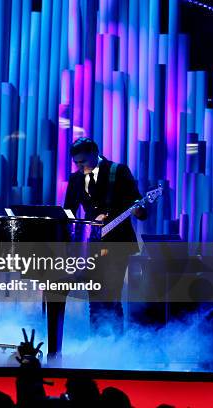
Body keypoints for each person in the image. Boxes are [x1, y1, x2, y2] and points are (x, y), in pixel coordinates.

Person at [64, 137, 147, 336]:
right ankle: (97, 344)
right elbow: (69, 212)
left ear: (95, 153)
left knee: (111, 295)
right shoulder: (76, 179)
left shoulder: (118, 171)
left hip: (117, 242)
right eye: (76, 162)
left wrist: (137, 210)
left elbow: (137, 205)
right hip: (91, 245)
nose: (79, 166)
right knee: (94, 298)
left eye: (83, 162)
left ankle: (117, 345)